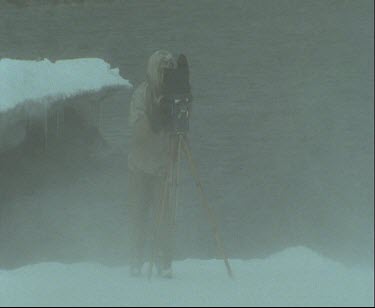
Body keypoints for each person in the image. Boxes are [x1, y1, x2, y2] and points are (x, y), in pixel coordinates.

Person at [127, 50, 177, 278]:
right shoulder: (141, 95)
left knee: (164, 213)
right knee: (138, 212)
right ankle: (135, 259)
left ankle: (163, 260)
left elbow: (180, 133)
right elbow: (138, 131)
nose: (165, 75)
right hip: (139, 165)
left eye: (169, 71)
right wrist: (157, 114)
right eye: (162, 70)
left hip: (163, 166)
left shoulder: (175, 97)